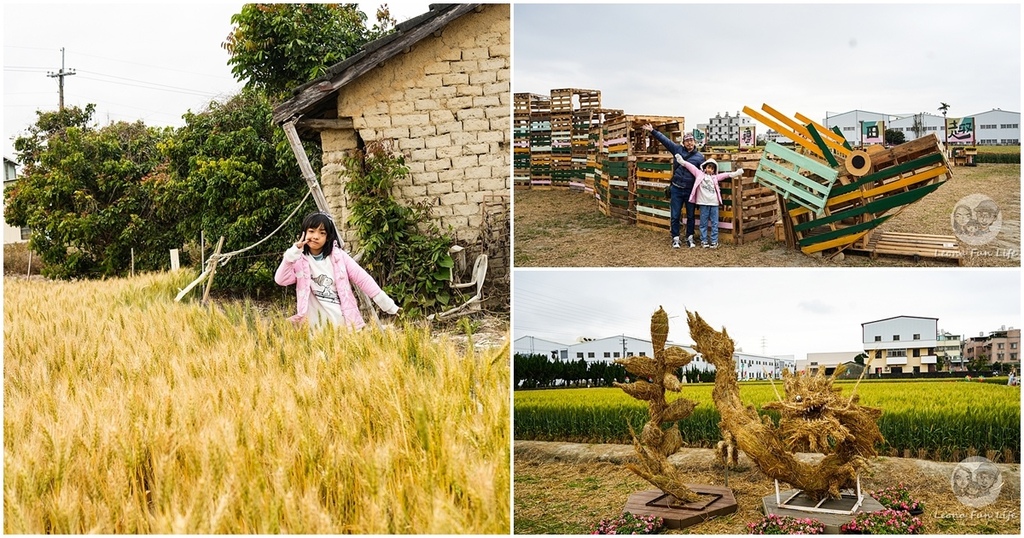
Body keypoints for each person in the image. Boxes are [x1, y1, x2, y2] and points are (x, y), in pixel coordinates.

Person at [275, 211, 399, 330]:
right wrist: (292, 253)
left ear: (328, 237)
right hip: (312, 324)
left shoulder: (339, 257)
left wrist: (389, 306)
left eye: (322, 233)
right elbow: (281, 279)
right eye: (311, 231)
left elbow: (363, 279)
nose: (316, 236)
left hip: (341, 321)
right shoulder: (299, 261)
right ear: (304, 233)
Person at [642, 123, 703, 248]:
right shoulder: (677, 149)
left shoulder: (700, 157)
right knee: (675, 215)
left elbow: (702, 174)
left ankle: (690, 237)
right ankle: (675, 237)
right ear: (683, 143)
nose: (689, 143)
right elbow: (665, 141)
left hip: (690, 190)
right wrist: (653, 131)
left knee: (691, 215)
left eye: (691, 141)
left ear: (695, 142)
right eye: (687, 141)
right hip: (676, 188)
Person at [675, 154, 744, 248]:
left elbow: (726, 175)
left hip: (714, 203)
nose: (710, 170)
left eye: (712, 168)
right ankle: (704, 241)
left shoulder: (715, 177)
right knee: (703, 223)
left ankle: (714, 241)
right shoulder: (699, 174)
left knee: (715, 223)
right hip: (703, 203)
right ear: (705, 167)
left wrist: (737, 173)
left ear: (714, 170)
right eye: (708, 167)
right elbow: (691, 167)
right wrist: (682, 161)